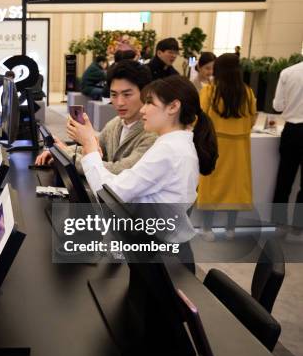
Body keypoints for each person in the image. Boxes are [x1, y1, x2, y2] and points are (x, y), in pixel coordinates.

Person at [67, 75, 217, 205]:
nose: (142, 109)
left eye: (150, 103)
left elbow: (110, 194)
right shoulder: (174, 144)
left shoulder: (169, 150)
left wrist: (89, 144)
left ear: (173, 107)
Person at [36, 60, 157, 175]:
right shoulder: (116, 123)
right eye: (114, 95)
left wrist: (65, 153)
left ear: (145, 93)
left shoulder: (153, 134)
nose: (119, 102)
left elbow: (118, 171)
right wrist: (57, 151)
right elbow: (96, 148)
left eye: (127, 94)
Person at [197, 53, 256, 240]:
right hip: (239, 147)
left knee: (211, 185)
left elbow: (200, 117)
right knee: (236, 187)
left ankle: (207, 229)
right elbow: (253, 119)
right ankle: (231, 229)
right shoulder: (247, 92)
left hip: (214, 143)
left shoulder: (209, 91)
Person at [272, 60, 303, 242]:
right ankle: (298, 226)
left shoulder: (288, 72)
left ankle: (279, 224)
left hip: (292, 131)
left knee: (284, 180)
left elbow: (278, 106)